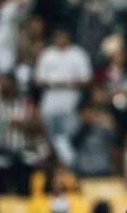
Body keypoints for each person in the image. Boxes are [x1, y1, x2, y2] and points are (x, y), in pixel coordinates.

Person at [35, 28, 92, 168]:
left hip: (70, 103)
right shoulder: (48, 54)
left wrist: (67, 82)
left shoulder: (78, 54)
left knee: (67, 139)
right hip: (50, 103)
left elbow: (87, 79)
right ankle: (56, 168)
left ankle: (72, 166)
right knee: (51, 139)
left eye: (63, 36)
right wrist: (55, 83)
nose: (60, 39)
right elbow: (38, 80)